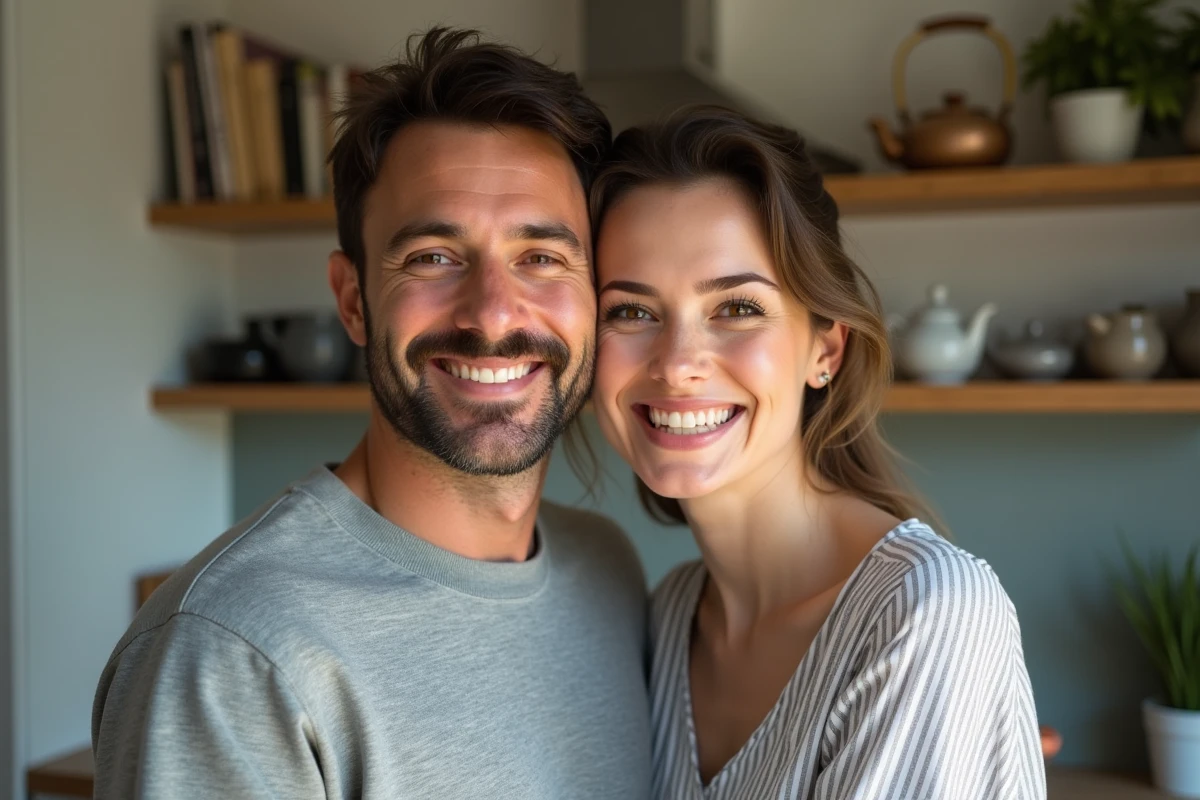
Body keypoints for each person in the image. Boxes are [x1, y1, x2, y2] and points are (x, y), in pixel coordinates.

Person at [92, 28, 651, 799]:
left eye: (542, 258)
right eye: (432, 257)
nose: (492, 315)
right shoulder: (231, 652)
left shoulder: (608, 573)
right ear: (353, 300)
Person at [588, 105, 1046, 799]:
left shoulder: (926, 613)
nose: (677, 364)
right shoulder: (669, 616)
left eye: (736, 308)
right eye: (630, 311)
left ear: (824, 349)